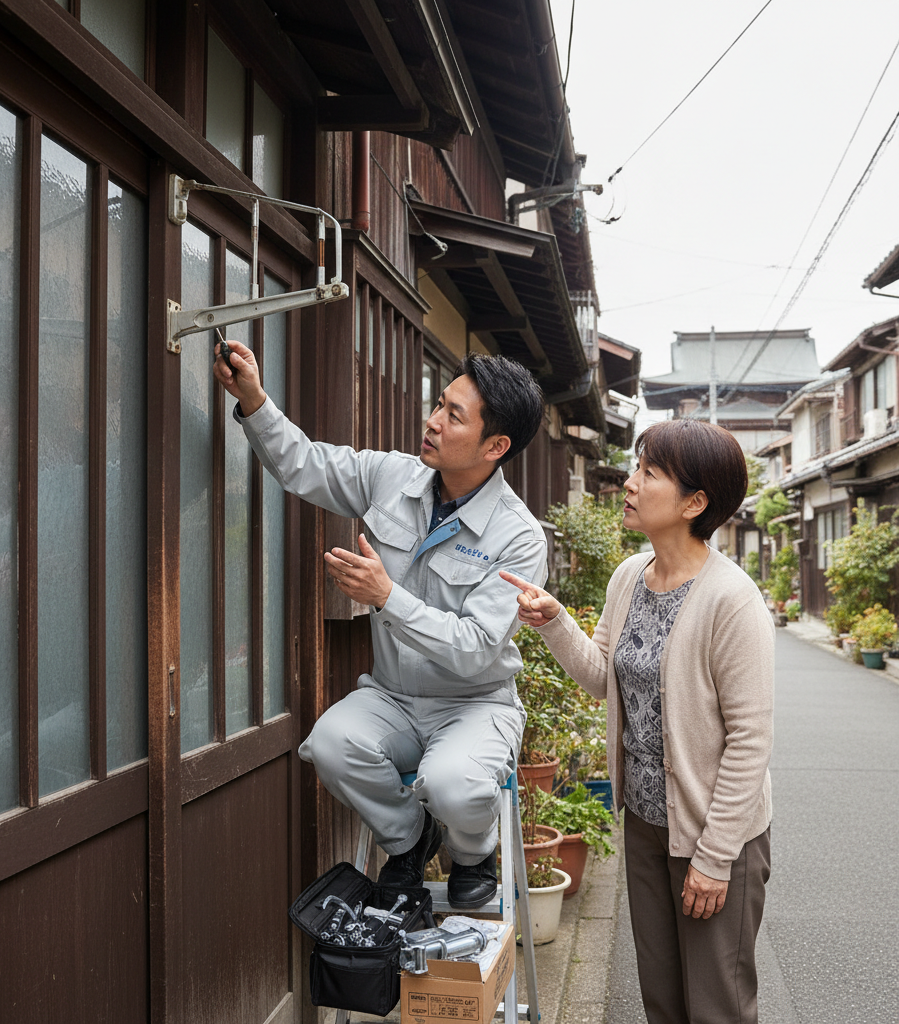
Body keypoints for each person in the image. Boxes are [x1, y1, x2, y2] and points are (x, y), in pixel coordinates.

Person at [216, 340, 548, 908]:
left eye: (453, 415)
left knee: (452, 785)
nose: (433, 421)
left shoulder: (518, 537)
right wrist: (254, 401)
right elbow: (305, 464)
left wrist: (387, 596)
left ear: (495, 446)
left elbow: (475, 649)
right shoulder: (393, 476)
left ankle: (474, 852)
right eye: (439, 404)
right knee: (331, 744)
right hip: (392, 696)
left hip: (475, 703)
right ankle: (411, 839)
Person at [501, 419, 774, 1024]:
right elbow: (604, 677)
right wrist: (553, 621)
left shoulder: (733, 600)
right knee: (662, 1000)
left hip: (713, 831)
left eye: (649, 473)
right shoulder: (630, 576)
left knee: (716, 1006)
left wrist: (715, 856)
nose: (630, 483)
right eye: (637, 468)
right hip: (648, 824)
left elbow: (751, 742)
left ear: (694, 503)